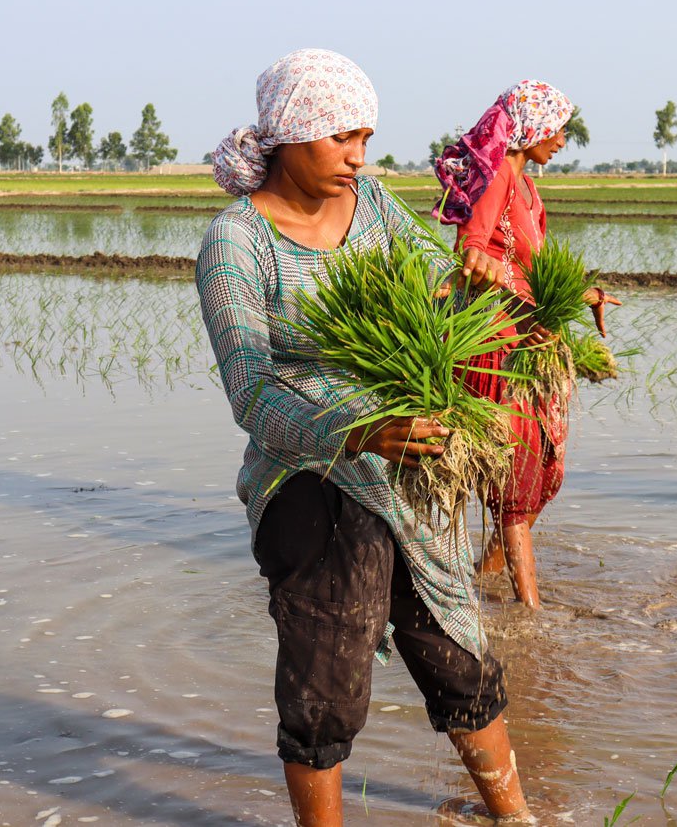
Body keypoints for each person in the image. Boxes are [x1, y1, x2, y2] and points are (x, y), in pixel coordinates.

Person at [196, 48, 535, 826]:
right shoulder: (236, 243)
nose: (358, 157)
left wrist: (471, 280)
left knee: (455, 645)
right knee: (328, 676)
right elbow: (251, 392)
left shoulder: (375, 206)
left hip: (403, 458)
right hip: (307, 474)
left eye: (365, 139)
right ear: (289, 136)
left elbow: (434, 280)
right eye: (340, 138)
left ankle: (515, 816)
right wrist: (359, 430)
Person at [434, 80, 620, 609]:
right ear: (532, 128)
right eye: (557, 129)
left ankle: (484, 577)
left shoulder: (528, 188)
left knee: (542, 470)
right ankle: (532, 614)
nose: (563, 139)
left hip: (530, 340)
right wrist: (518, 306)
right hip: (497, 343)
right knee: (518, 477)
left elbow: (528, 267)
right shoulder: (497, 180)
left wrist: (584, 294)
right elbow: (472, 255)